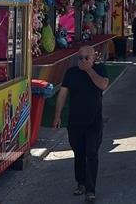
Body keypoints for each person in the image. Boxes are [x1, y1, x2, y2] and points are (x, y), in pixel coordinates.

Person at [53, 46, 109, 202]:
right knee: (79, 153)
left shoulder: (100, 69)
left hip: (94, 121)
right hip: (75, 121)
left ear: (93, 59)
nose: (82, 61)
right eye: (80, 58)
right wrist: (57, 115)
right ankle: (81, 183)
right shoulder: (71, 73)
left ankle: (90, 190)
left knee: (91, 153)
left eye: (86, 58)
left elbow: (103, 85)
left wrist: (89, 71)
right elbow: (63, 94)